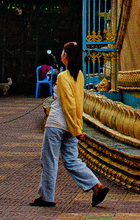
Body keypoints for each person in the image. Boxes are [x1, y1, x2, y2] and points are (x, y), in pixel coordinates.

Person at [30, 42, 109, 208]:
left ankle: (47, 197)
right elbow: (78, 103)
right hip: (72, 124)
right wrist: (77, 127)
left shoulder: (62, 77)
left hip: (57, 123)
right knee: (72, 160)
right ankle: (96, 186)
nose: (61, 55)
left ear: (66, 56)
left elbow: (69, 104)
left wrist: (75, 129)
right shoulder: (79, 75)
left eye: (63, 53)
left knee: (49, 160)